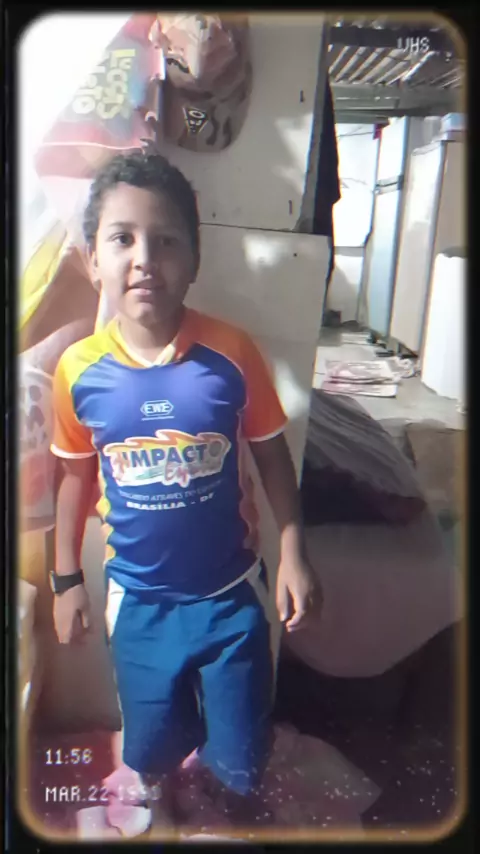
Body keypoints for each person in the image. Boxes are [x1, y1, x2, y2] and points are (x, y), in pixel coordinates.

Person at [50, 150, 321, 836]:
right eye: (123, 239)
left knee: (240, 745)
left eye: (167, 240)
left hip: (231, 597)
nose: (145, 259)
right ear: (93, 261)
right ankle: (152, 787)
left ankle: (224, 805)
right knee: (149, 737)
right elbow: (74, 477)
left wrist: (294, 553)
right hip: (138, 602)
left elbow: (273, 459)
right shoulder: (77, 371)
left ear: (195, 260)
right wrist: (64, 581)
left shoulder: (231, 354)